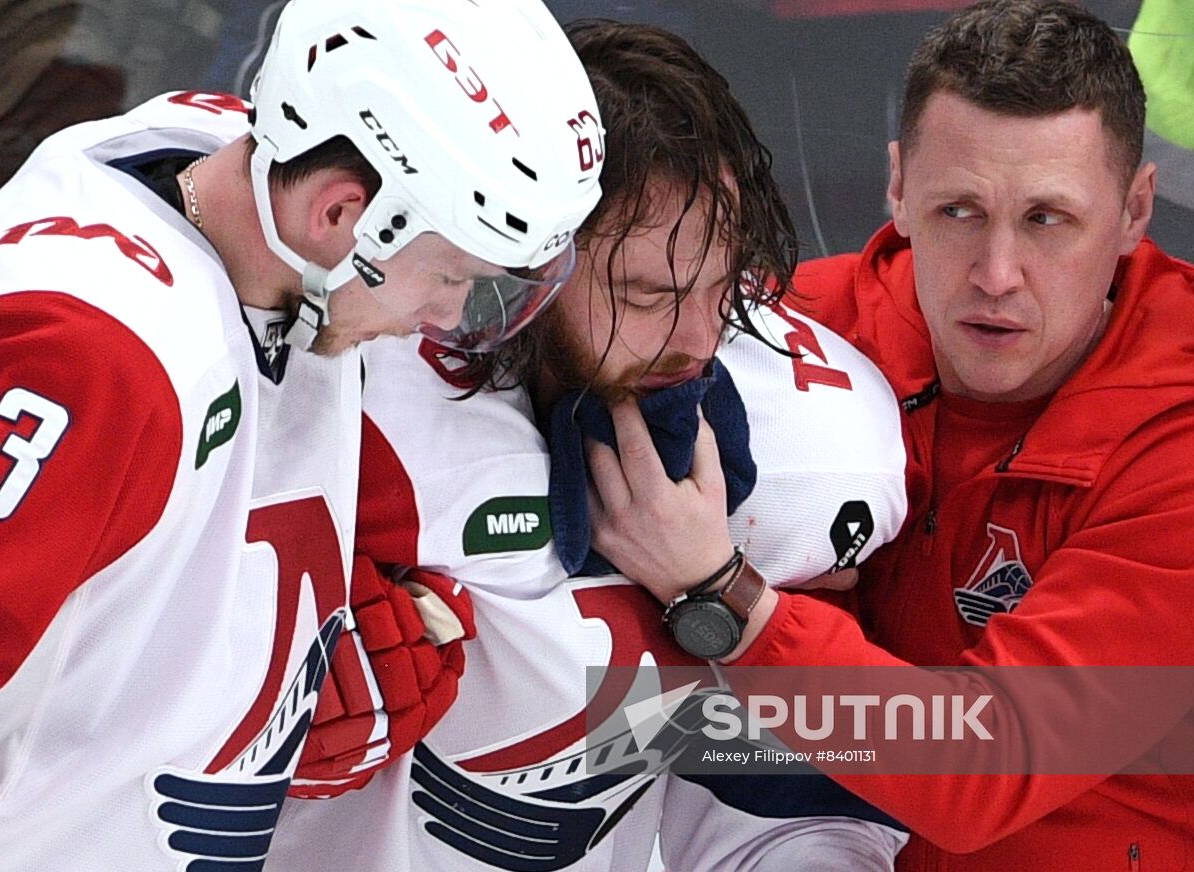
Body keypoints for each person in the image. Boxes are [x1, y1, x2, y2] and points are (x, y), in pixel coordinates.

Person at [0, 0, 604, 868]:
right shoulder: (88, 359)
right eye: (452, 277)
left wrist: (281, 673)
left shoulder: (231, 167)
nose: (445, 318)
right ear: (341, 216)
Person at [594, 1, 1194, 869]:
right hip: (829, 832)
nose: (995, 276)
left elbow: (982, 764)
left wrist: (723, 595)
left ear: (1133, 210)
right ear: (897, 188)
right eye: (958, 211)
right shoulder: (797, 332)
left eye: (1048, 219)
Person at [266, 20, 910, 872]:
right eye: (646, 293)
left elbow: (801, 777)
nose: (696, 338)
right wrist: (259, 661)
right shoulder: (351, 387)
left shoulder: (819, 455)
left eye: (724, 288)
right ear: (525, 258)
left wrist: (730, 601)